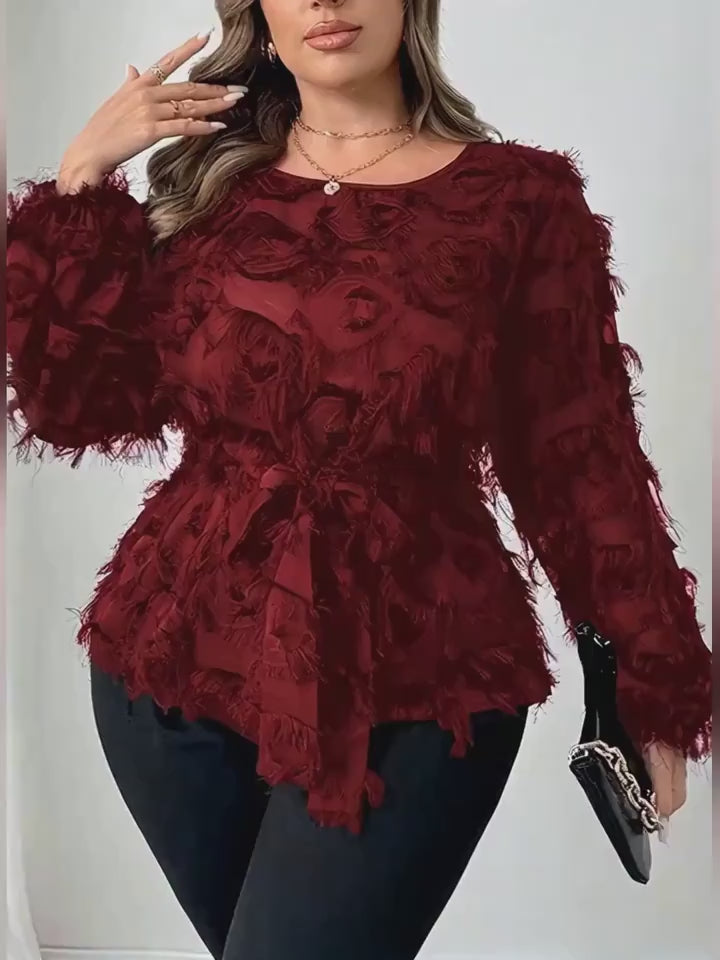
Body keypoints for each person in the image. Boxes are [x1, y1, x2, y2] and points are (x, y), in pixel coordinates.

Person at [7, 1, 711, 958]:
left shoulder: (521, 201)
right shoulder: (207, 187)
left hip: (422, 678)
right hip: (172, 670)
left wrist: (654, 683)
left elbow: (581, 459)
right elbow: (76, 409)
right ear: (259, 14)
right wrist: (83, 180)